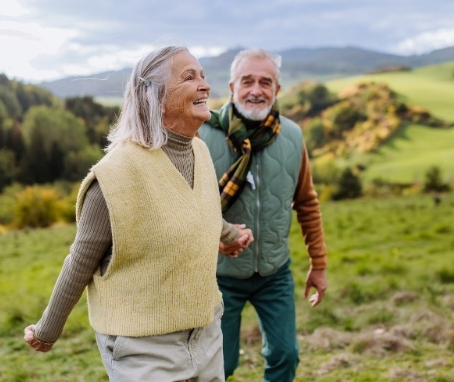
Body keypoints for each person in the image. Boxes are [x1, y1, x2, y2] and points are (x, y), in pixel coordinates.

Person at [23, 45, 253, 381]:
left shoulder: (199, 152)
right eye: (189, 77)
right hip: (143, 348)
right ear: (156, 98)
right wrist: (47, 330)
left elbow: (197, 208)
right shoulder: (114, 176)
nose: (204, 85)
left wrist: (230, 235)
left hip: (205, 332)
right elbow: (81, 259)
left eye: (203, 75)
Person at [199, 48, 328, 382]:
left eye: (265, 82)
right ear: (232, 86)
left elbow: (307, 202)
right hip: (219, 276)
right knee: (220, 366)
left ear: (277, 90)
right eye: (248, 81)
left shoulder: (293, 136)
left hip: (275, 273)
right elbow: (185, 207)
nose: (256, 90)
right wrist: (217, 241)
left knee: (285, 356)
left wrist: (319, 264)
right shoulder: (203, 135)